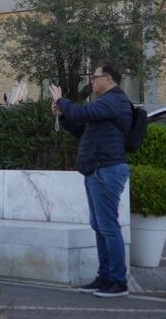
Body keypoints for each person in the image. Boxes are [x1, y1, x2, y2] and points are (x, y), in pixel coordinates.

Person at [51, 64, 132, 297]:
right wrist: (63, 116)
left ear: (107, 79)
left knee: (108, 225)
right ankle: (104, 277)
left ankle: (118, 281)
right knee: (100, 226)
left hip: (107, 169)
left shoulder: (114, 100)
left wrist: (62, 101)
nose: (92, 83)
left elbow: (82, 113)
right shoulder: (106, 105)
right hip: (96, 170)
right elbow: (82, 128)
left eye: (94, 78)